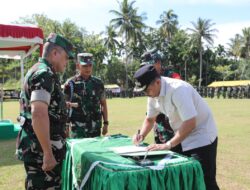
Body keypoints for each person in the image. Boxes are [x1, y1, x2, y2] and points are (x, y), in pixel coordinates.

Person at [132, 64, 219, 190]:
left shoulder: (178, 89)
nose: (146, 94)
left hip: (201, 136)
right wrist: (141, 136)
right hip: (180, 136)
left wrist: (168, 144)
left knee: (204, 181)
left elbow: (190, 122)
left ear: (157, 82)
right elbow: (150, 119)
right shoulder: (152, 94)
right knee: (180, 179)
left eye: (146, 90)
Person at [16, 33, 74, 189]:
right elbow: (38, 113)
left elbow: (44, 107)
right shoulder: (44, 74)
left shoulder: (40, 70)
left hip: (40, 148)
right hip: (42, 152)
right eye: (66, 57)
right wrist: (48, 153)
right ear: (55, 53)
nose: (67, 62)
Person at [63, 53, 108, 138]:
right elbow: (65, 106)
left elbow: (103, 104)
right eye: (84, 66)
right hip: (78, 130)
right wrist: (65, 126)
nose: (88, 68)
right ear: (78, 66)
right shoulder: (70, 84)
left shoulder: (98, 83)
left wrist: (106, 123)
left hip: (95, 128)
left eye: (90, 65)